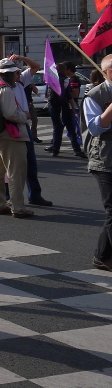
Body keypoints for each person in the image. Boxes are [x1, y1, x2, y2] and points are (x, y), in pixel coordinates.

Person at [0, 58, 32, 218]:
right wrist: (24, 116)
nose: (18, 76)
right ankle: (18, 207)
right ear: (9, 74)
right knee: (15, 171)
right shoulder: (6, 90)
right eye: (16, 73)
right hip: (10, 135)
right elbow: (10, 114)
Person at [5, 54, 52, 207]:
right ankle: (8, 196)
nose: (19, 74)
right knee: (10, 165)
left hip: (23, 126)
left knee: (30, 162)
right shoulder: (0, 86)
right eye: (16, 72)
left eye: (19, 72)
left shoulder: (21, 82)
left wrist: (21, 58)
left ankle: (34, 194)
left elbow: (36, 67)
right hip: (9, 127)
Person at [82, 54, 112, 271]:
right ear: (106, 72)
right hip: (105, 160)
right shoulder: (95, 95)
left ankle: (102, 255)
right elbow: (94, 128)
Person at [47, 62, 87, 159]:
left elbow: (47, 94)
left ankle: (55, 150)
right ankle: (77, 150)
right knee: (70, 127)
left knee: (57, 127)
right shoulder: (65, 80)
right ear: (63, 70)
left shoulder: (51, 80)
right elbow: (69, 96)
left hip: (53, 105)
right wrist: (73, 108)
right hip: (64, 105)